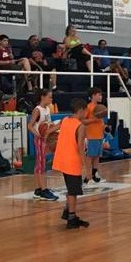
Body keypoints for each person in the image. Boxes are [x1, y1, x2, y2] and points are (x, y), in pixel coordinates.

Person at [53, 98, 90, 229]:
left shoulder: (65, 120)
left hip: (62, 160)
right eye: (86, 111)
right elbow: (80, 147)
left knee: (71, 188)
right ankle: (71, 218)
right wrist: (86, 167)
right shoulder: (81, 126)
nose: (86, 113)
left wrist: (45, 135)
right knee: (73, 191)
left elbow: (52, 129)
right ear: (81, 110)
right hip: (72, 162)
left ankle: (67, 212)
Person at [28, 88, 60, 202]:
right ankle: (43, 189)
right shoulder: (37, 110)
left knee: (40, 164)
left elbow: (47, 125)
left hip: (45, 139)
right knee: (41, 165)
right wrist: (38, 134)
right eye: (49, 97)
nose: (51, 99)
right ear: (42, 97)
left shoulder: (47, 109)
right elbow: (30, 126)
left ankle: (38, 189)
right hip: (39, 139)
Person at [84, 87, 106, 184]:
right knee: (90, 157)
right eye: (99, 95)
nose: (101, 96)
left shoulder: (100, 108)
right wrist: (94, 120)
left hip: (99, 136)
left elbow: (101, 122)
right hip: (91, 136)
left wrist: (105, 129)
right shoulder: (88, 107)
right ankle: (87, 177)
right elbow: (82, 121)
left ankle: (95, 175)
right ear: (93, 95)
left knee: (97, 156)